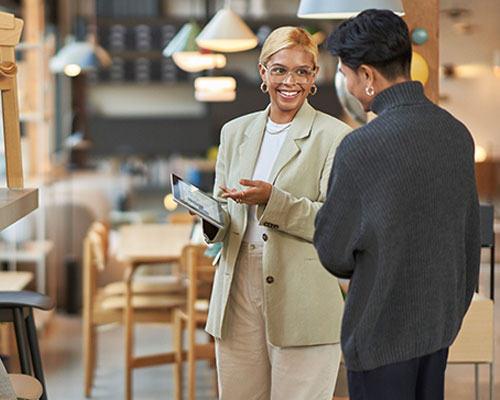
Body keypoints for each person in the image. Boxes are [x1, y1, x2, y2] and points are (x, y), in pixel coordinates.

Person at [313, 9, 481, 400]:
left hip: (380, 336)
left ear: (368, 76)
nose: (347, 85)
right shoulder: (457, 135)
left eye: (345, 73)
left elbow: (333, 253)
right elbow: (468, 237)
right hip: (438, 330)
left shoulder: (360, 147)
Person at [202, 26, 351, 399]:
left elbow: (334, 223)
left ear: (314, 77)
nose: (291, 81)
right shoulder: (234, 132)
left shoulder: (335, 136)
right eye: (281, 70)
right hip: (236, 286)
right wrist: (207, 215)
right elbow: (223, 215)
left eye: (302, 71)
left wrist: (273, 201)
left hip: (304, 292)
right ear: (263, 72)